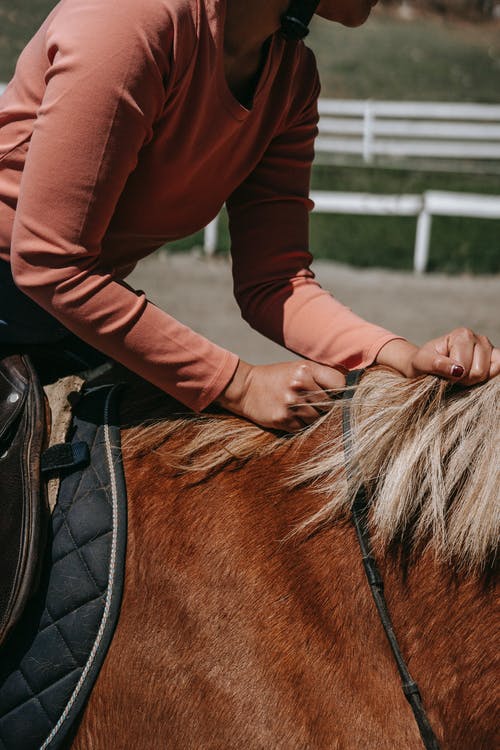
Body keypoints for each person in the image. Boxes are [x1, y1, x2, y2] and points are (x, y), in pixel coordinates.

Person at [0, 0, 498, 433]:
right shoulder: (132, 17)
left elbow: (276, 281)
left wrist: (401, 357)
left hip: (67, 323)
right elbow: (50, 261)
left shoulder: (292, 82)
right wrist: (238, 385)